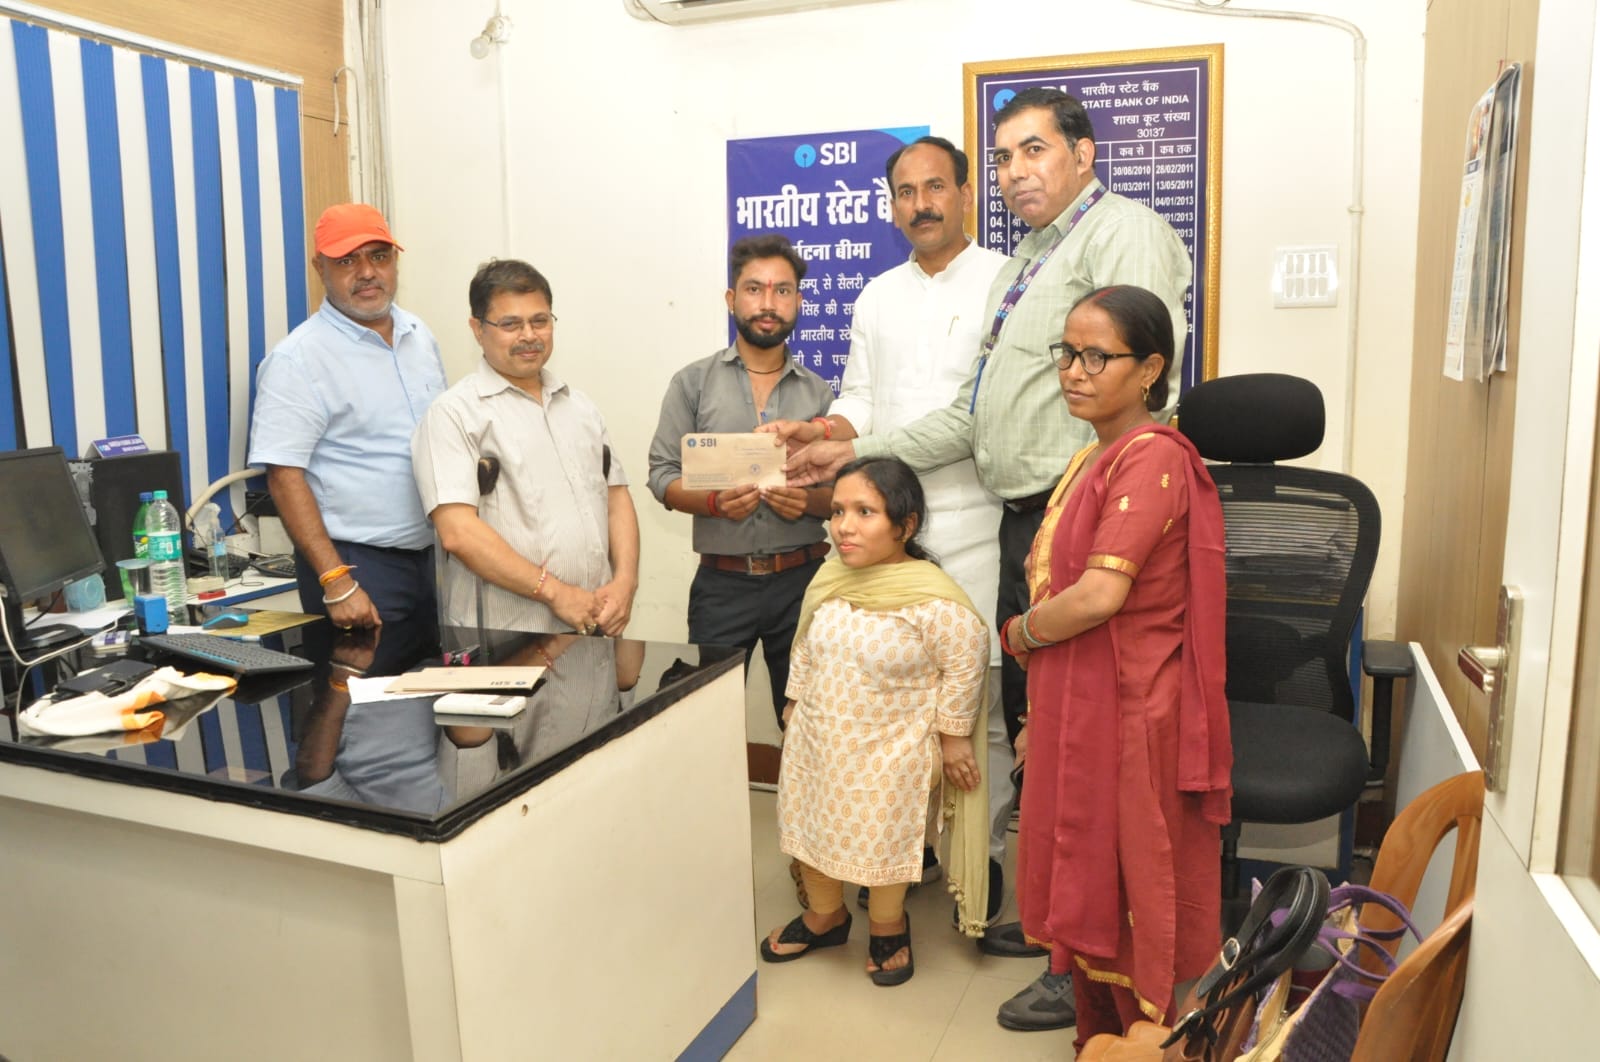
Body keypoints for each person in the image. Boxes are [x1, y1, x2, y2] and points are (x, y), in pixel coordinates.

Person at [778, 89, 1192, 982]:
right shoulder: (1033, 263)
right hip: (1033, 521)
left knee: (1074, 738)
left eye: (1033, 150)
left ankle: (1085, 960)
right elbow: (971, 417)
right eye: (1005, 156)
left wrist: (1092, 524)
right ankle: (1056, 931)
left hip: (1084, 516)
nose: (1016, 171)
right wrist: (846, 450)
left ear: (1083, 153)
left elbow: (1144, 379)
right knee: (1048, 729)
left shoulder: (1121, 234)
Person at [760, 135, 1012, 911]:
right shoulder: (876, 295)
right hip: (885, 537)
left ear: (966, 194)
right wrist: (822, 433)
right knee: (882, 703)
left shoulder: (1007, 282)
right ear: (891, 205)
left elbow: (981, 416)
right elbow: (861, 400)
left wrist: (853, 447)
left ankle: (978, 860)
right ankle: (898, 850)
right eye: (905, 192)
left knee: (975, 707)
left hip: (972, 523)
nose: (921, 204)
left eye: (935, 187)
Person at [995, 285, 1230, 1047]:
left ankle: (1146, 1043)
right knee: (1088, 867)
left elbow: (1099, 595)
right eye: (1067, 353)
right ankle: (1099, 1034)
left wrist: (1021, 635)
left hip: (1132, 709)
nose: (1074, 370)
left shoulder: (1152, 457)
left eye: (1097, 357)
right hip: (1084, 698)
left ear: (1150, 369)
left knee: (1130, 880)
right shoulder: (1093, 455)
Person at [759, 456, 990, 987]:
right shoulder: (831, 578)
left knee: (883, 838)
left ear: (905, 525)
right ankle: (825, 916)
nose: (844, 526)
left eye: (865, 512)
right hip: (818, 741)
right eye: (838, 511)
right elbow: (805, 644)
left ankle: (888, 926)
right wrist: (793, 704)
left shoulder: (933, 599)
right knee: (809, 826)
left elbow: (966, 660)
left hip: (892, 750)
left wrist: (954, 738)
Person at [646, 234, 834, 725]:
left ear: (798, 301)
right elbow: (661, 475)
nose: (768, 303)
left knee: (808, 726)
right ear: (732, 298)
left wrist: (808, 504)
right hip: (721, 585)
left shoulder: (820, 395)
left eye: (782, 290)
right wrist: (714, 504)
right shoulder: (693, 383)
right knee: (708, 725)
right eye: (754, 289)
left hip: (804, 584)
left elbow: (845, 492)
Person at [248, 203, 447, 634]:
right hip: (356, 569)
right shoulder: (298, 360)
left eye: (379, 256)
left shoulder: (419, 335)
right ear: (319, 268)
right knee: (367, 681)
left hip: (435, 561)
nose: (367, 272)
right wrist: (336, 580)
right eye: (347, 261)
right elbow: (283, 477)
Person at [412, 259, 639, 636]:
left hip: (593, 625)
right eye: (510, 324)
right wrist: (555, 593)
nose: (529, 335)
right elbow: (458, 532)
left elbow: (616, 498)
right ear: (477, 329)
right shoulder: (454, 415)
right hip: (505, 637)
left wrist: (625, 582)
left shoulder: (580, 407)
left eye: (540, 321)